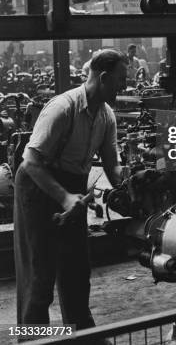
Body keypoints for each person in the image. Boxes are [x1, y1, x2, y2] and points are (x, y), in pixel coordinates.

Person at [14, 49, 128, 337]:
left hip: (73, 188)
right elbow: (31, 162)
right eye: (120, 79)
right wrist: (65, 197)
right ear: (103, 78)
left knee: (76, 270)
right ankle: (33, 339)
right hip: (38, 186)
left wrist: (127, 187)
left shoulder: (106, 115)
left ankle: (82, 336)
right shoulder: (62, 109)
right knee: (40, 274)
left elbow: (112, 164)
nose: (124, 86)